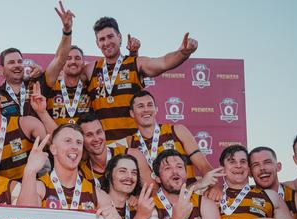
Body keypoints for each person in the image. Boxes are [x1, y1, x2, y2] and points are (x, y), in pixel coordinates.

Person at [84, 17, 197, 145]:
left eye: (110, 37)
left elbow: (163, 63)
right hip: (103, 148)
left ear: (119, 37)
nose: (106, 42)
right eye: (102, 39)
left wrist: (182, 53)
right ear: (97, 43)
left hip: (134, 146)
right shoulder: (90, 69)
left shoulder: (136, 63)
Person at [128, 90, 214, 185]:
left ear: (156, 109)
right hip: (155, 198)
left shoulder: (177, 130)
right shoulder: (130, 142)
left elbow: (203, 166)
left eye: (150, 105)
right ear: (132, 113)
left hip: (188, 195)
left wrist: (214, 186)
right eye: (140, 106)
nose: (146, 110)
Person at [0, 85, 46, 180]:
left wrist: (42, 113)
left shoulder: (24, 124)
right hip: (3, 193)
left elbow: (54, 145)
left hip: (31, 189)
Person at [77, 112, 153, 189]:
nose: (96, 139)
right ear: (81, 139)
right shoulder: (82, 173)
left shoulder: (132, 155)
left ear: (104, 133)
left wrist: (137, 198)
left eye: (99, 132)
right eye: (89, 135)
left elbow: (153, 190)